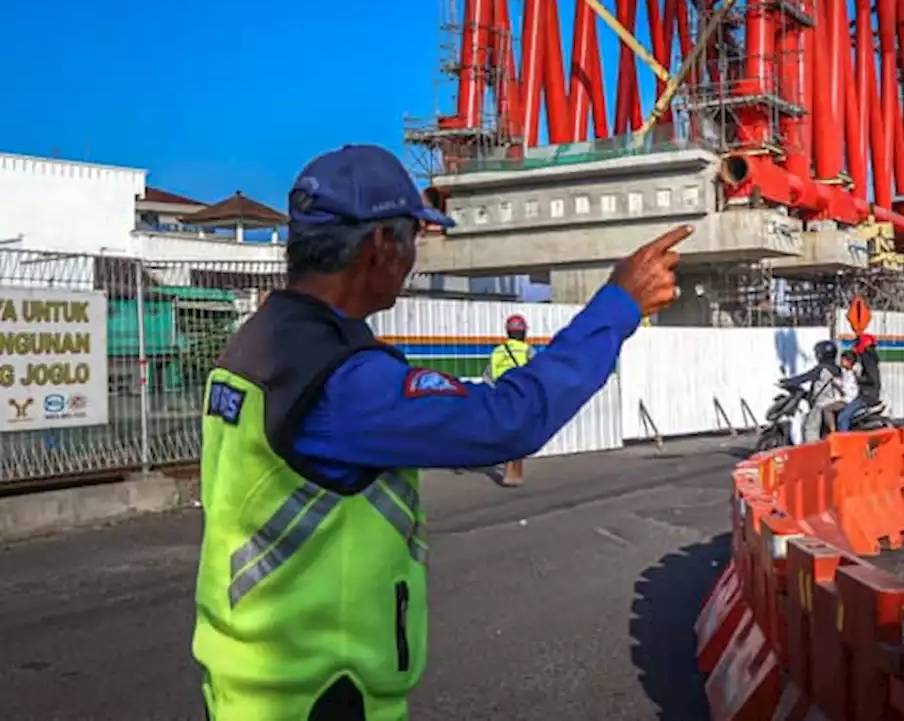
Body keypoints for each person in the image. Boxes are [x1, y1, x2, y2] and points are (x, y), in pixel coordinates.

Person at [192, 143, 692, 721]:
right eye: (413, 237)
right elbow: (509, 420)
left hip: (247, 681)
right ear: (380, 244)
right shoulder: (343, 381)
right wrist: (618, 306)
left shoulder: (259, 344)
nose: (415, 256)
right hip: (322, 694)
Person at [485, 314, 534, 486]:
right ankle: (516, 474)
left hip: (502, 394)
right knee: (520, 433)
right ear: (523, 333)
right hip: (520, 395)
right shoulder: (528, 350)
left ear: (508, 332)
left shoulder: (498, 351)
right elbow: (534, 374)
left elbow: (489, 376)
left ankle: (508, 473)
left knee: (507, 433)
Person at [780, 339, 844, 442]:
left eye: (818, 353)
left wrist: (788, 382)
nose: (817, 356)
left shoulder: (822, 369)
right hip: (834, 402)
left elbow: (805, 377)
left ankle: (812, 450)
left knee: (810, 428)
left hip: (822, 403)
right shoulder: (837, 369)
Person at [836, 332, 882, 432]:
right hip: (869, 394)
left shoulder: (867, 358)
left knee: (842, 418)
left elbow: (872, 379)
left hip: (866, 396)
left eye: (857, 343)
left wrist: (858, 377)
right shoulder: (869, 357)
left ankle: (844, 441)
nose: (854, 346)